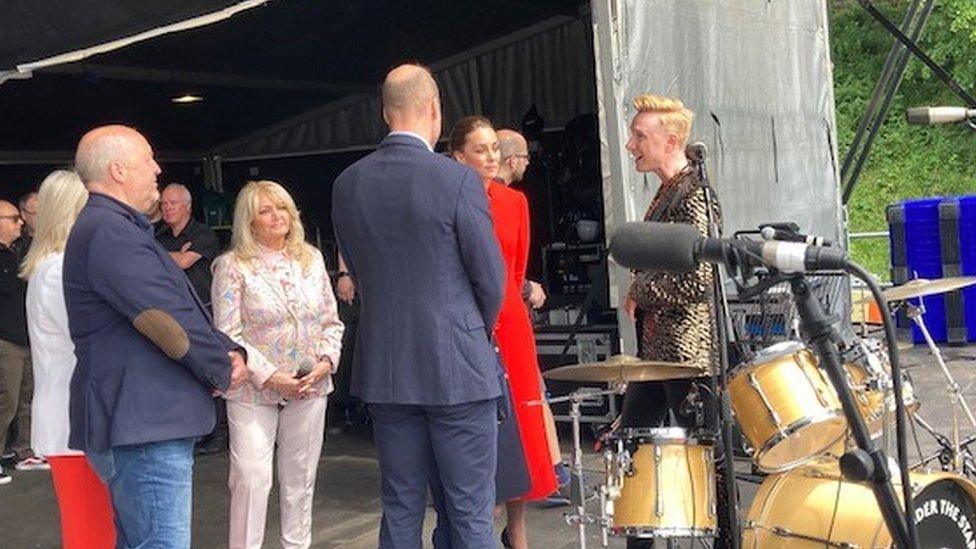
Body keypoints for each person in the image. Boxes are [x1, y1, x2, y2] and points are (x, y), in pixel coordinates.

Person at [332, 64, 505, 549]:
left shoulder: (347, 184)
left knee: (401, 504)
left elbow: (361, 274)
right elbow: (490, 279)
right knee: (470, 512)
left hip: (387, 368)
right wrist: (475, 330)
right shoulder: (456, 181)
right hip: (457, 368)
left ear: (386, 112)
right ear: (434, 109)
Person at [64, 124, 249, 549]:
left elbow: (173, 306)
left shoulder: (114, 229)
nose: (157, 168)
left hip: (141, 420)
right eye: (148, 159)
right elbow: (162, 318)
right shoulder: (110, 231)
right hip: (145, 423)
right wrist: (221, 366)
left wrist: (228, 349)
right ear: (118, 170)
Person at [618, 94, 728, 548]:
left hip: (688, 355)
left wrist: (640, 291)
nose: (630, 145)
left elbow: (699, 279)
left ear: (671, 139)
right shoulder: (668, 191)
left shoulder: (695, 194)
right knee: (634, 446)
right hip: (658, 351)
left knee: (707, 458)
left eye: (640, 136)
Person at [212, 180, 344, 549]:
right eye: (265, 211)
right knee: (252, 479)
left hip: (310, 384)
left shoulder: (311, 259)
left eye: (282, 207)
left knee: (300, 478)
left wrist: (326, 361)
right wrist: (271, 377)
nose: (276, 217)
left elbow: (331, 321)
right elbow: (227, 333)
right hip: (253, 390)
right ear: (249, 221)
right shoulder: (232, 266)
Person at [450, 116, 558, 549]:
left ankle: (518, 534)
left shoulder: (515, 202)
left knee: (521, 423)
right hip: (467, 318)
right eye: (481, 149)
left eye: (495, 148)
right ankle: (480, 526)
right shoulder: (451, 199)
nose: (492, 156)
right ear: (459, 156)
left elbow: (516, 270)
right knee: (482, 427)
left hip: (509, 319)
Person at [19, 170, 116, 548]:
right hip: (75, 417)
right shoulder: (60, 270)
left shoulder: (50, 267)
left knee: (90, 526)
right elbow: (88, 336)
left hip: (72, 414)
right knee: (91, 530)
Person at [156, 182, 226, 455]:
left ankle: (218, 434)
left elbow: (184, 263)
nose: (167, 208)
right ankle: (196, 431)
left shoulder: (203, 233)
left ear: (187, 206)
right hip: (173, 314)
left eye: (172, 203)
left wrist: (163, 256)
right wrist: (172, 255)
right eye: (163, 204)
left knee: (211, 370)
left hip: (204, 312)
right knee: (184, 373)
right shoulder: (159, 236)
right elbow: (151, 262)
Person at [0, 199, 31, 483]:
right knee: (6, 400)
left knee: (25, 397)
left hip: (25, 336)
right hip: (5, 339)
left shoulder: (20, 250)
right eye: (13, 218)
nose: (20, 222)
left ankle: (23, 451)